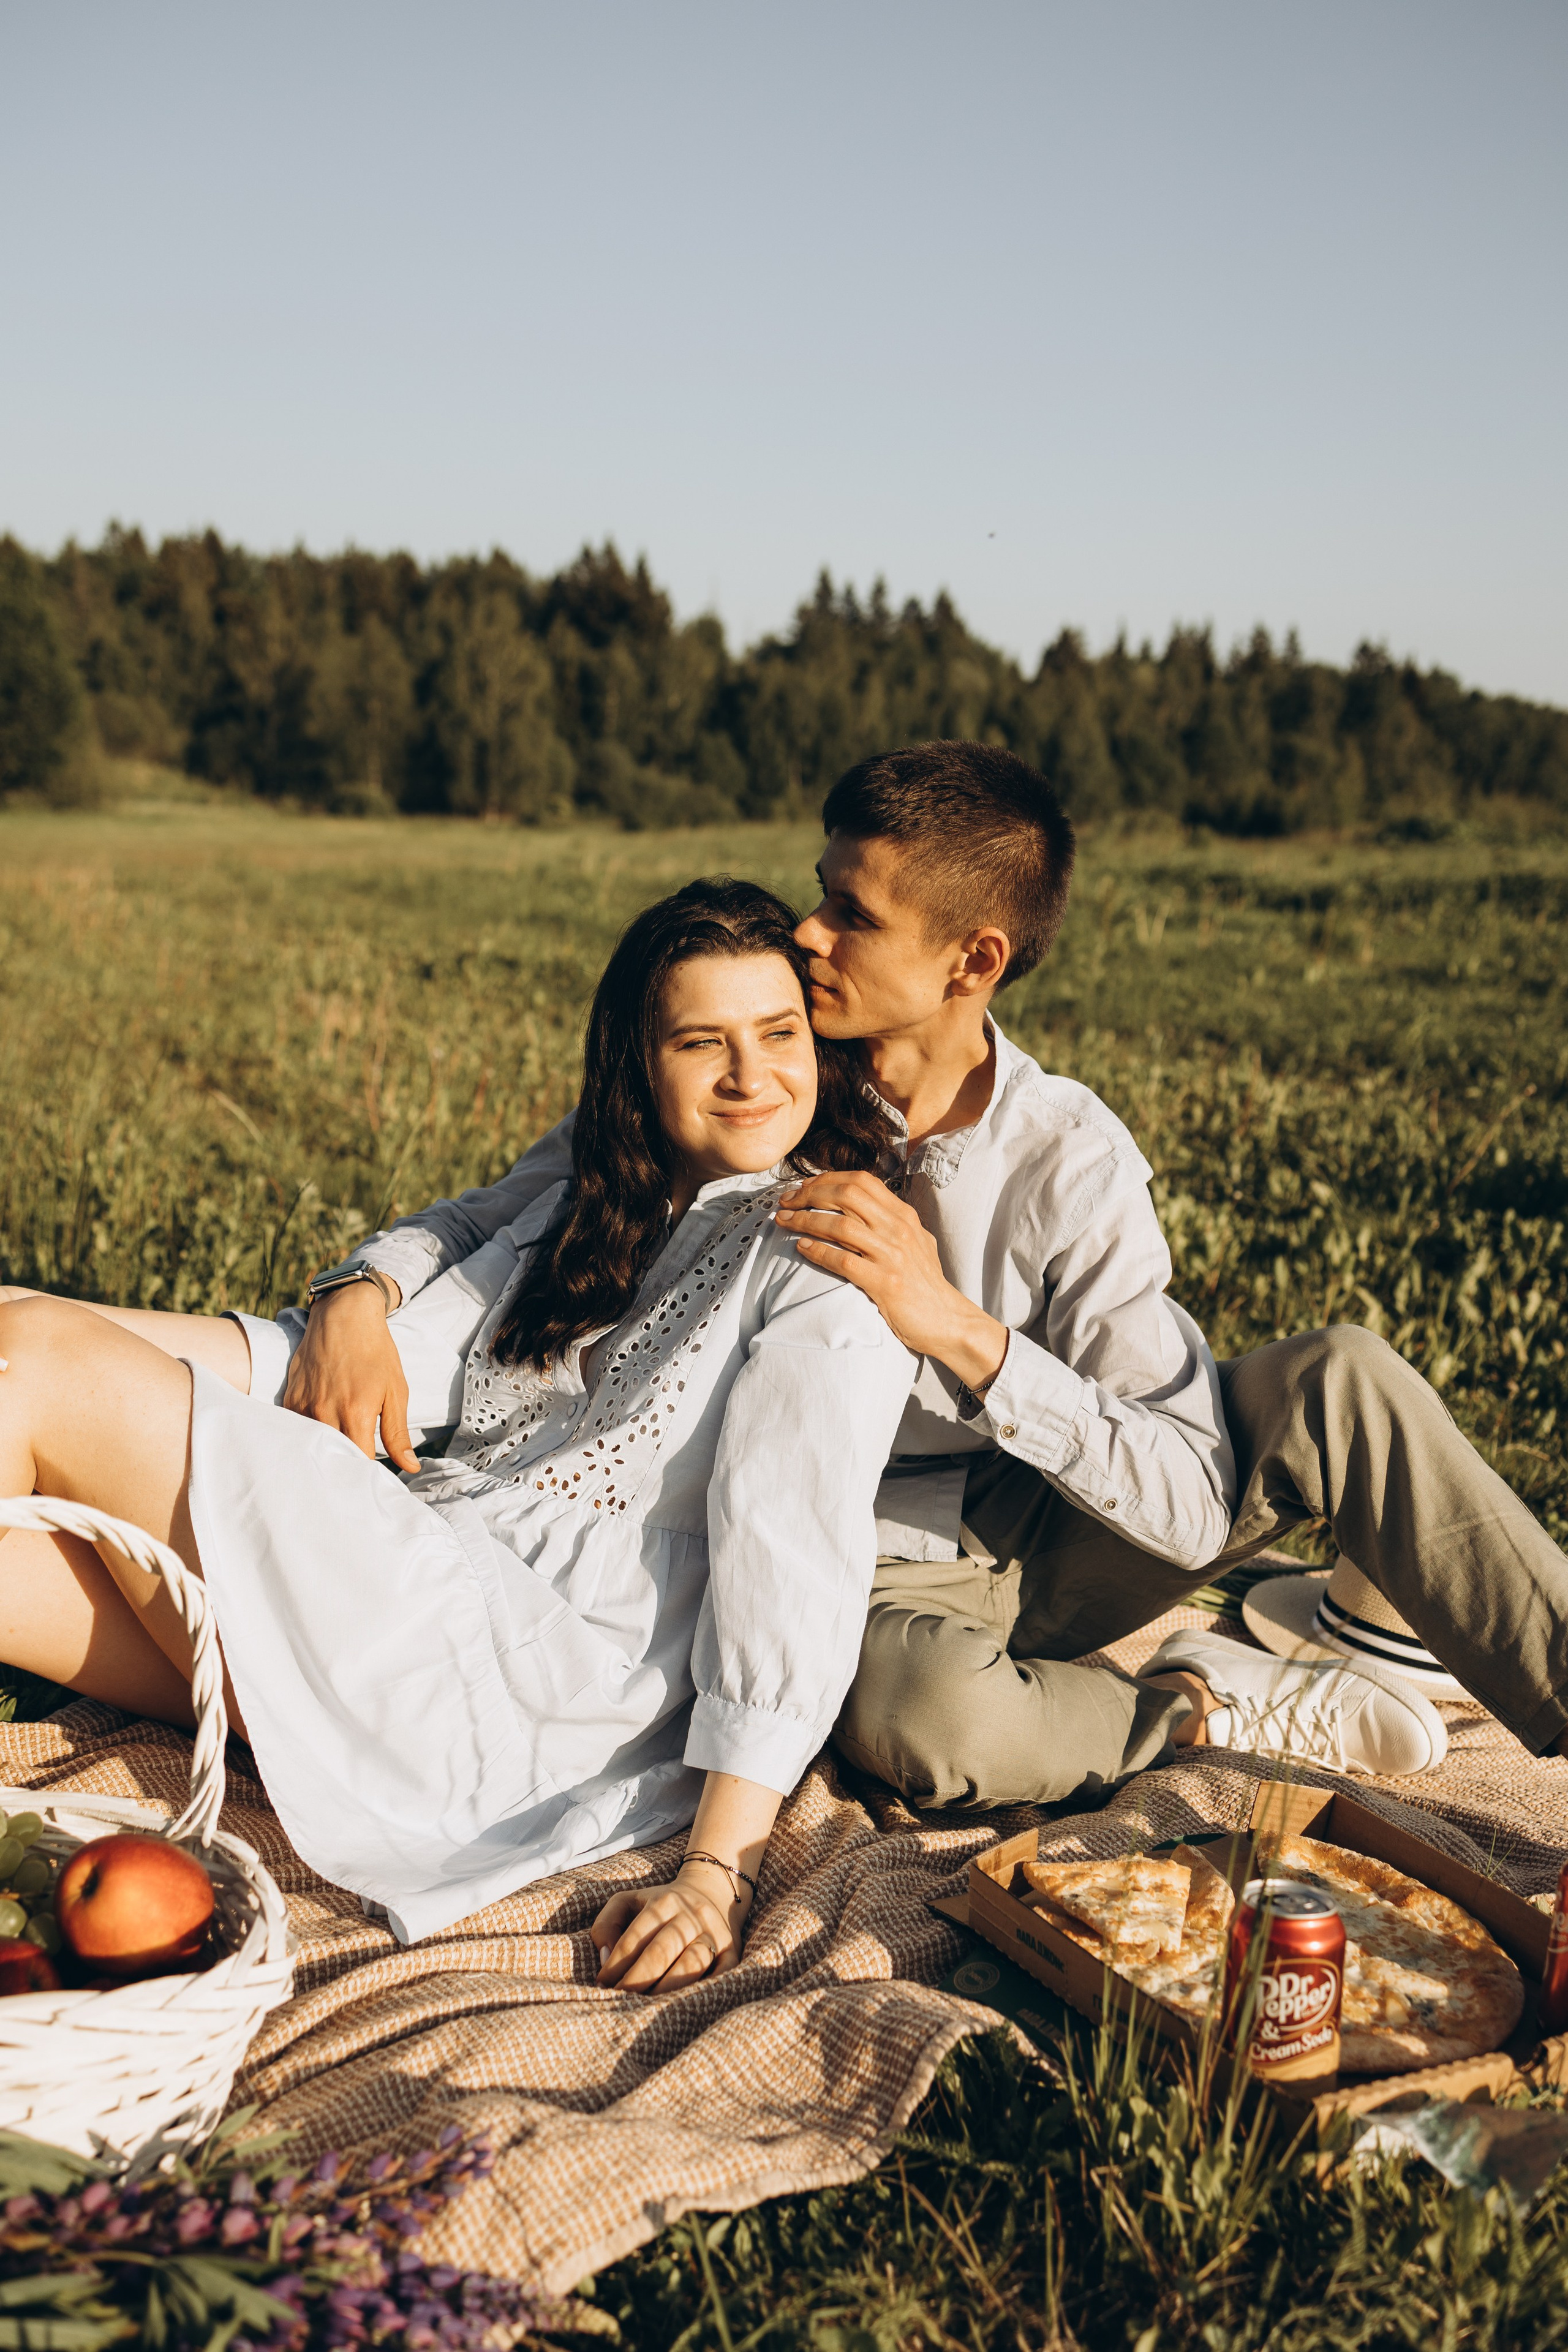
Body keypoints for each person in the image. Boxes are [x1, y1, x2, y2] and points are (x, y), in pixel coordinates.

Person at [285, 744, 1568, 1808]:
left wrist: (954, 1327)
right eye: (817, 889)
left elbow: (1187, 1503)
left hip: (1051, 1515)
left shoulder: (1065, 1155)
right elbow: (503, 1204)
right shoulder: (754, 1074)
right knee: (919, 1720)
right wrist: (359, 1291)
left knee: (1341, 1375)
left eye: (853, 914)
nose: (806, 930)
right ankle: (1193, 1703)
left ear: (973, 961)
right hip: (851, 1539)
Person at [0, 881, 918, 1985]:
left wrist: (717, 1869)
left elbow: (794, 1563)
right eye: (701, 1042)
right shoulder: (594, 1204)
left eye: (780, 1034)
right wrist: (355, 1295)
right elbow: (367, 1341)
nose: (751, 1074)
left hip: (518, 1689)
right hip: (415, 1607)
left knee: (40, 1357)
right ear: (641, 1062)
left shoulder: (824, 1262)